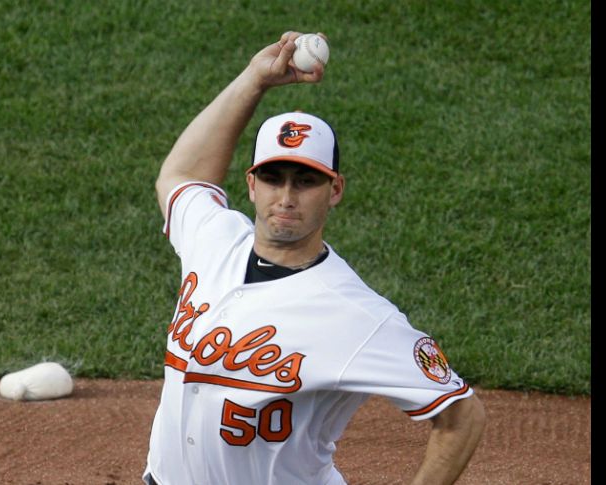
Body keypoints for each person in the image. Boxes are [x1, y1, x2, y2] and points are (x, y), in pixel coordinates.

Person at [145, 31, 485, 485]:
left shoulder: (356, 315)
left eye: (305, 182)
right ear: (250, 185)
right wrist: (253, 80)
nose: (285, 197)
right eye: (272, 177)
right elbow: (182, 174)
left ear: (335, 191)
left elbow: (462, 416)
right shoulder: (214, 238)